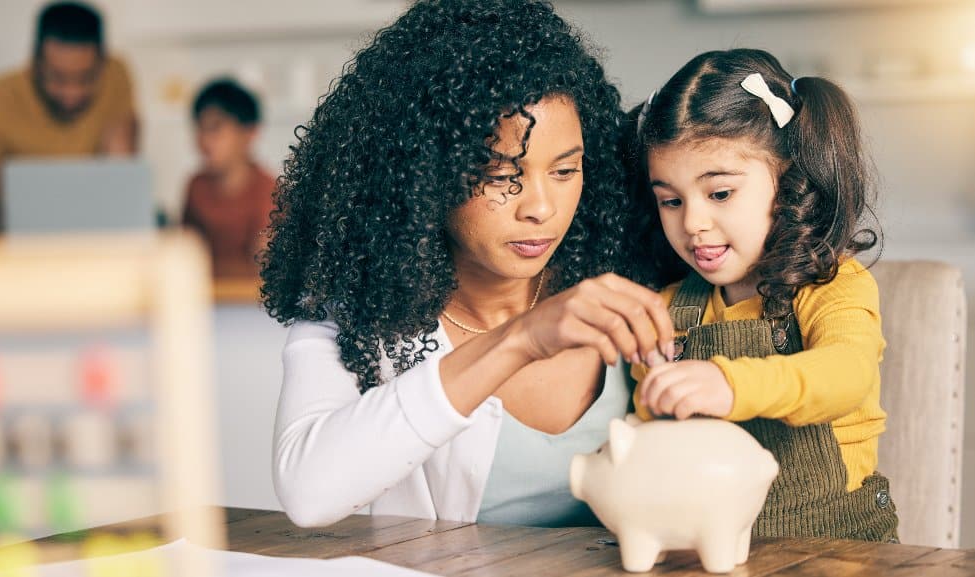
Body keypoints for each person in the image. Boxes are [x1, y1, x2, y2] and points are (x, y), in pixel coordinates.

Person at [262, 0, 674, 528]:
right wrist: (520, 339)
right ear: (422, 173)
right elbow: (308, 492)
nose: (541, 208)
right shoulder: (359, 312)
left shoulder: (632, 272)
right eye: (502, 174)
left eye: (566, 170)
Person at [624, 48, 899, 541]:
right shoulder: (669, 308)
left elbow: (846, 374)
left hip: (836, 548)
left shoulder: (832, 286)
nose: (692, 223)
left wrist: (729, 384)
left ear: (788, 180)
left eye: (720, 193)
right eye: (670, 200)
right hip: (710, 546)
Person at [0, 1, 138, 233]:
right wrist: (38, 230)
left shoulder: (116, 76)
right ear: (34, 64)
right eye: (59, 79)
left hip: (92, 238)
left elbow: (120, 177)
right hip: (16, 244)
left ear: (102, 64)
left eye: (86, 79)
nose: (72, 93)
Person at [182, 78, 275, 280]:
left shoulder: (269, 191)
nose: (204, 140)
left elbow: (265, 265)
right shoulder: (196, 186)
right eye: (200, 128)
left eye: (215, 128)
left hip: (250, 305)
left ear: (249, 132)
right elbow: (184, 253)